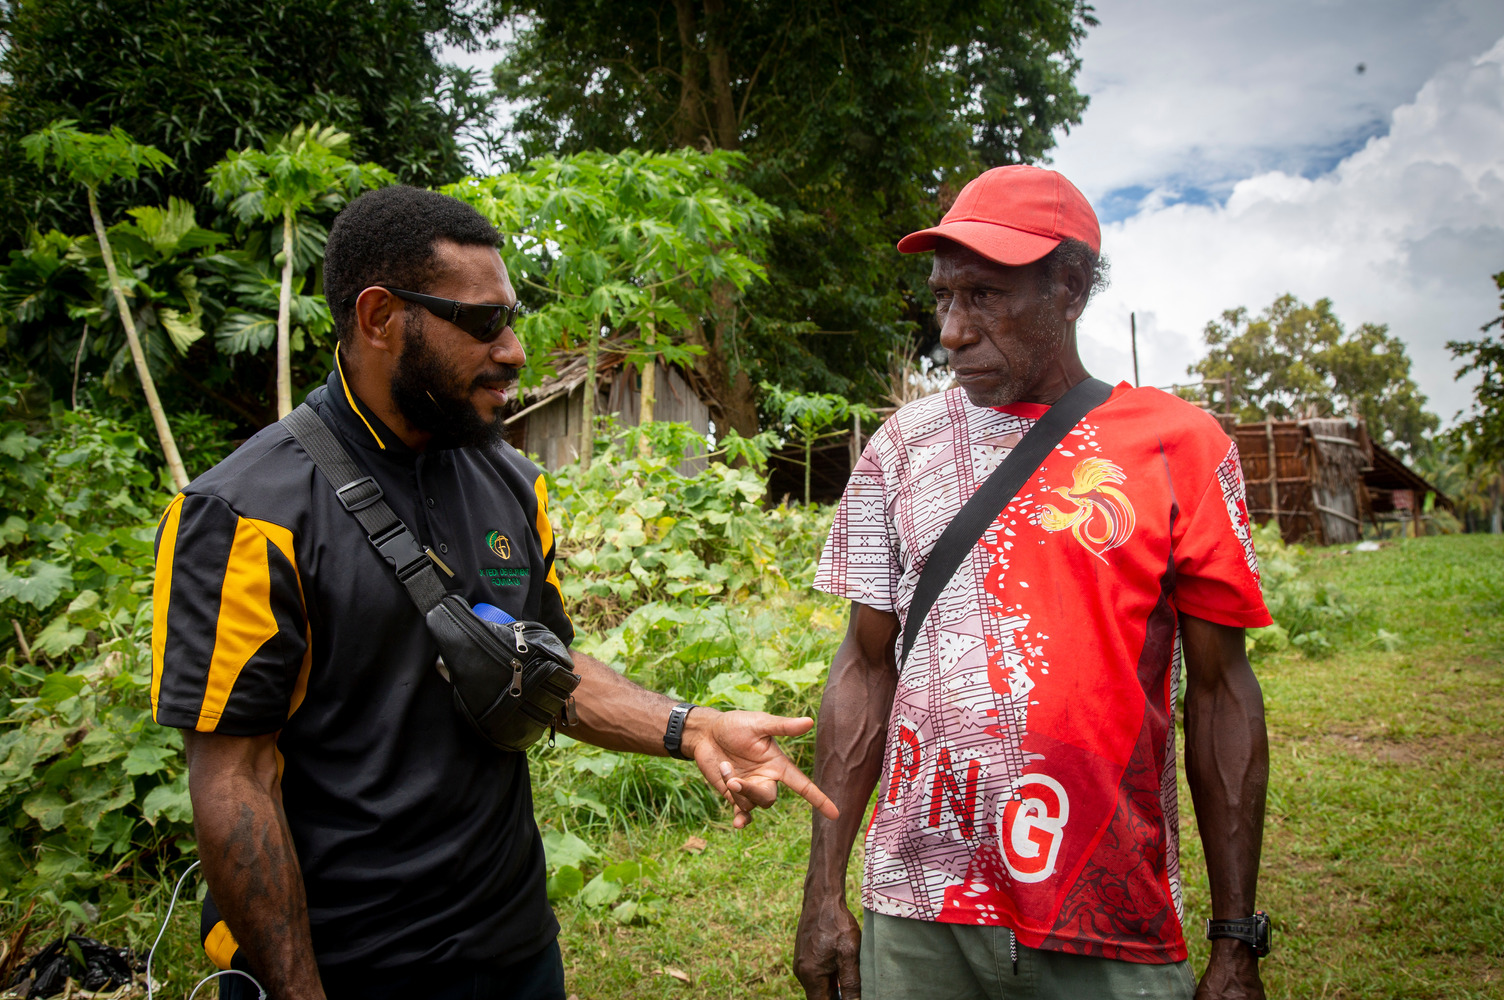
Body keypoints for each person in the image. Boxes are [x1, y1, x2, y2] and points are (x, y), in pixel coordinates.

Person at [150, 185, 837, 1000]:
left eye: (512, 318)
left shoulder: (511, 484)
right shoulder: (244, 513)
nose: (513, 350)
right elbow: (234, 782)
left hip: (512, 945)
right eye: (482, 323)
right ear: (379, 318)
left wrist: (691, 728)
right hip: (351, 963)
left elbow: (545, 669)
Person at [792, 165, 1272, 1000]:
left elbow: (1223, 692)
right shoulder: (900, 449)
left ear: (1072, 285)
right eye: (943, 298)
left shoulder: (1179, 446)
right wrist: (822, 893)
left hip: (1104, 907)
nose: (952, 331)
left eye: (983, 297)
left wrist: (1236, 940)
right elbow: (864, 667)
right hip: (915, 904)